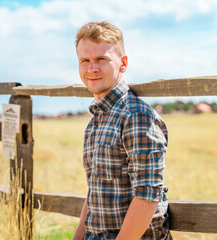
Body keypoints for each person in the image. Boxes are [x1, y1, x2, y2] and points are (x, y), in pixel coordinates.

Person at [72, 21, 172, 240]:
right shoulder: (97, 119)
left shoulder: (135, 116)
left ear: (123, 63)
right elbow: (95, 193)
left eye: (102, 59)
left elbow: (147, 195)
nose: (92, 68)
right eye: (85, 61)